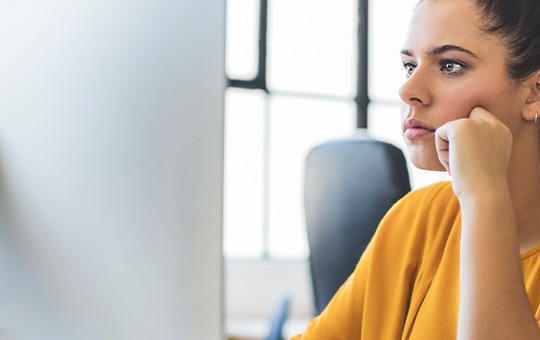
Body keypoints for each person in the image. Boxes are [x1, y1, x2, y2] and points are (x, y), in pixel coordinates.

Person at [291, 0, 540, 338]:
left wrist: (485, 197)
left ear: (533, 93)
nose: (408, 90)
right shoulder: (415, 219)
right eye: (410, 66)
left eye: (450, 65)